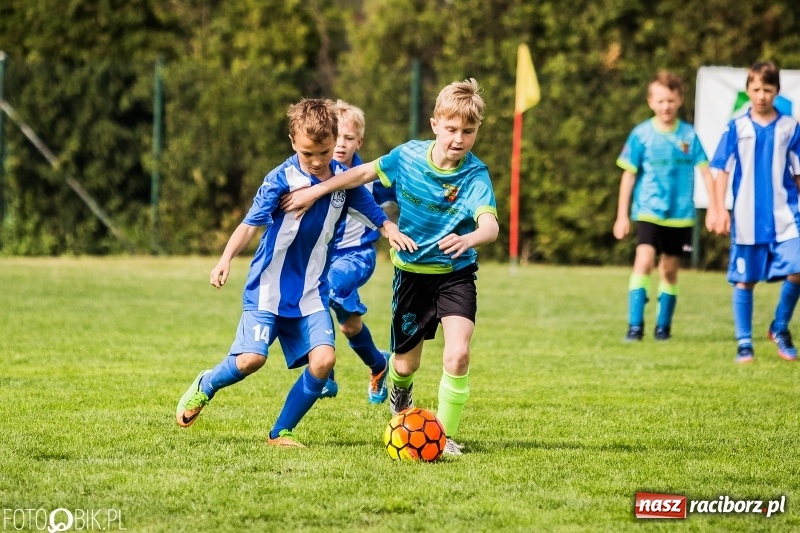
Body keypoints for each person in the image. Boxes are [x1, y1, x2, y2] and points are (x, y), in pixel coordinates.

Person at [175, 98, 414, 447]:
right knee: (251, 360)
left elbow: (376, 216)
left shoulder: (343, 182)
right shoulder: (280, 179)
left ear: (335, 139)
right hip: (268, 289)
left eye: (324, 152)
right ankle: (206, 384)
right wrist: (224, 259)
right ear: (292, 142)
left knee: (324, 360)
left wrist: (392, 231)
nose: (317, 161)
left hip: (312, 292)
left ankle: (280, 432)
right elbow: (249, 224)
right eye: (307, 154)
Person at [280, 79, 499, 456]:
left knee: (458, 354)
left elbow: (490, 227)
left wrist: (469, 240)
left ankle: (443, 438)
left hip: (456, 275)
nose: (459, 139)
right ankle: (399, 391)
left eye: (468, 131)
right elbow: (361, 175)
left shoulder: (475, 175)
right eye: (451, 129)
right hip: (412, 276)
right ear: (435, 125)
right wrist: (316, 190)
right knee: (405, 364)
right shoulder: (408, 156)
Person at [613, 70, 718, 342]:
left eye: (671, 100)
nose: (666, 106)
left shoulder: (689, 135)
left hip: (680, 215)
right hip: (648, 211)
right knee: (644, 261)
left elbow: (706, 173)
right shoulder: (641, 135)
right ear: (650, 102)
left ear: (680, 100)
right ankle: (635, 327)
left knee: (669, 271)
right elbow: (628, 176)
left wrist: (715, 208)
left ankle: (663, 328)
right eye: (660, 101)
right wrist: (622, 216)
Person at [710, 61, 800, 364]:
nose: (762, 95)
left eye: (768, 89)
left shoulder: (790, 127)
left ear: (777, 91)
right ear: (748, 90)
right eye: (756, 89)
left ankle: (779, 327)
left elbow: (798, 173)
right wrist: (718, 208)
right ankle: (744, 343)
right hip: (748, 219)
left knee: (798, 267)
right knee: (745, 280)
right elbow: (721, 169)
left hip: (785, 216)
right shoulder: (736, 127)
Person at [319, 100, 397, 403]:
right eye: (336, 137)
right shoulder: (318, 172)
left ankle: (324, 374)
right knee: (350, 326)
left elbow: (403, 194)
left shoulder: (370, 175)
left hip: (357, 256)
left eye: (348, 138)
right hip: (323, 258)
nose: (341, 144)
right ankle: (379, 365)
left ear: (359, 141)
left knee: (319, 292)